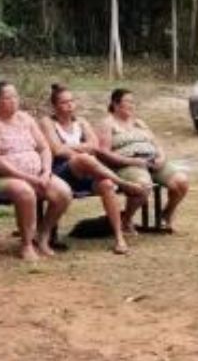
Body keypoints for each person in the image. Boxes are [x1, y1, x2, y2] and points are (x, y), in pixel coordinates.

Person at [41, 84, 149, 255]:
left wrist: (73, 147)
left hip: (86, 171)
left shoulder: (81, 122)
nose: (69, 105)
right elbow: (57, 150)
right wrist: (82, 150)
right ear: (55, 106)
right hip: (61, 173)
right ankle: (122, 183)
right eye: (64, 102)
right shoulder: (48, 122)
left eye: (71, 101)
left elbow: (95, 146)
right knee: (83, 158)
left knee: (106, 184)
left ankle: (119, 238)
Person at [0, 81, 71, 260]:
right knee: (24, 191)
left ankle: (43, 235)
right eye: (8, 98)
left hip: (36, 174)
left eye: (15, 96)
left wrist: (46, 172)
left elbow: (44, 148)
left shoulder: (25, 118)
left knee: (63, 192)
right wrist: (29, 179)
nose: (13, 101)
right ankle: (26, 244)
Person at [95, 88, 189, 234]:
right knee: (143, 186)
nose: (132, 105)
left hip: (152, 161)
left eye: (133, 102)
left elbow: (157, 144)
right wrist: (131, 161)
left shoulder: (139, 122)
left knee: (181, 181)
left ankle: (166, 214)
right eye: (128, 102)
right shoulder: (107, 123)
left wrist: (161, 158)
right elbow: (103, 152)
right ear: (115, 104)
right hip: (127, 164)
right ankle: (126, 220)